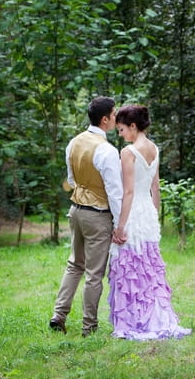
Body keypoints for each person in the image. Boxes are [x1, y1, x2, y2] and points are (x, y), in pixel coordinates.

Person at [108, 104, 192, 340]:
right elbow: (155, 187)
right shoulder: (154, 149)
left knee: (129, 269)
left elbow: (128, 192)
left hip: (133, 213)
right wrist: (153, 216)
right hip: (147, 214)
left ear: (133, 126)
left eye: (122, 129)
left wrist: (120, 226)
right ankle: (154, 316)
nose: (121, 134)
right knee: (148, 269)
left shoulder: (128, 152)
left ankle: (133, 321)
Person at [50, 96, 123, 337]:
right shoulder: (107, 151)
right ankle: (89, 327)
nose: (116, 118)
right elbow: (115, 193)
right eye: (114, 115)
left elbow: (71, 181)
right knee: (94, 274)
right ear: (105, 120)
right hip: (97, 215)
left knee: (74, 265)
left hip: (75, 211)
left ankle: (58, 315)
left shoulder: (74, 143)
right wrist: (121, 223)